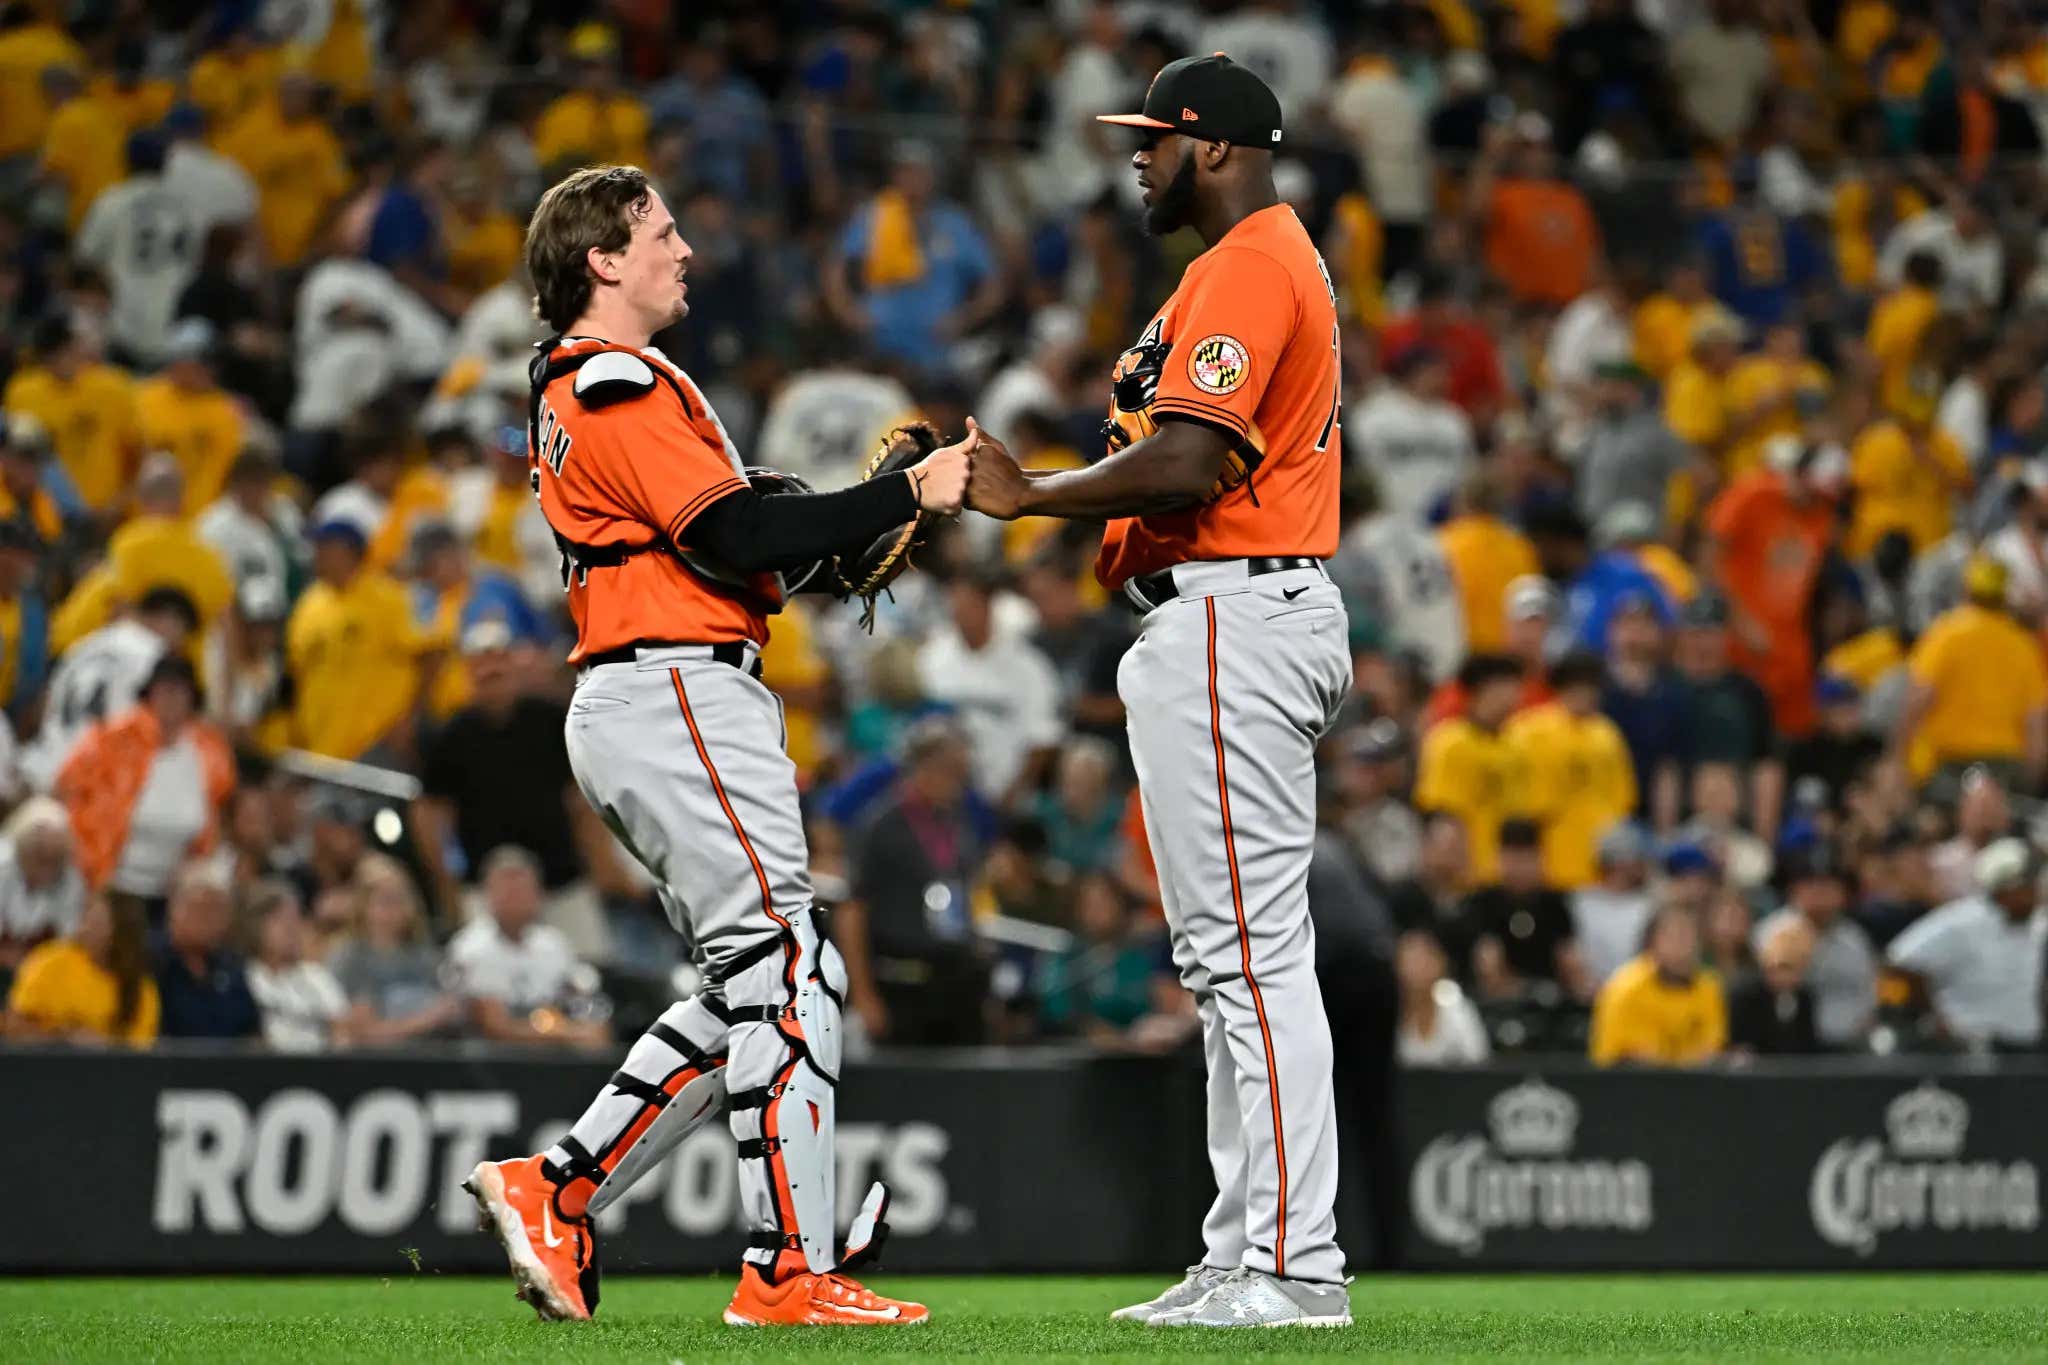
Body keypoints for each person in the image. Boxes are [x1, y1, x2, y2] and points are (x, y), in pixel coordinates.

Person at [462, 165, 969, 1328]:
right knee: (789, 974)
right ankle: (785, 1267)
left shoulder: (599, 385)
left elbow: (737, 547)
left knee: (767, 980)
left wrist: (831, 523)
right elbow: (735, 527)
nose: (684, 249)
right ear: (602, 261)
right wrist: (898, 499)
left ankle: (559, 1188)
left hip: (663, 690)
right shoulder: (612, 378)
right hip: (671, 689)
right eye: (660, 231)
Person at [962, 56, 1353, 1328]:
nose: (1135, 158)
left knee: (1246, 956)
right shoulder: (1227, 265)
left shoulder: (1248, 261)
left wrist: (1030, 501)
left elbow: (1186, 460)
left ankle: (1292, 1267)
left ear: (1218, 150)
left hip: (1236, 614)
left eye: (1155, 140)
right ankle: (1245, 1254)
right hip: (1227, 616)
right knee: (1225, 958)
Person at [416, 622, 621, 958]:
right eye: (481, 663)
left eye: (498, 660)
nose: (491, 670)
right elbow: (428, 812)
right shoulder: (451, 736)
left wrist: (600, 860)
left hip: (561, 879)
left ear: (512, 664)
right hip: (486, 891)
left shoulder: (551, 720)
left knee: (591, 969)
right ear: (468, 671)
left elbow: (581, 796)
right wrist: (446, 883)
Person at [836, 719, 991, 1046]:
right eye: (953, 770)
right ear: (925, 766)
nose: (961, 782)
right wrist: (863, 995)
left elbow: (967, 890)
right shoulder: (880, 825)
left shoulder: (959, 820)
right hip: (900, 982)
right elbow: (852, 911)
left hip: (953, 978)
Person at [55, 654, 234, 904]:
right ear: (150, 694)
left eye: (179, 690)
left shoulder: (209, 751)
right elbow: (66, 785)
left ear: (192, 698)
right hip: (109, 883)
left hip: (176, 893)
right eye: (164, 689)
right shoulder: (113, 738)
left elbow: (218, 816)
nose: (171, 698)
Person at [1896, 556, 2048, 793]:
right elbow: (2035, 720)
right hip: (2005, 768)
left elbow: (1919, 699)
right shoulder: (2024, 645)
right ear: (2004, 597)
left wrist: (1897, 756)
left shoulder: (1945, 634)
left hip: (1950, 766)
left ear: (1966, 590)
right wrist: (2032, 777)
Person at [1887, 838, 2046, 1050]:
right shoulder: (1963, 921)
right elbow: (1899, 963)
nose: (2034, 894)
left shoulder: (2037, 925)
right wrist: (1931, 1016)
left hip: (2026, 1047)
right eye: (2026, 887)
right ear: (2001, 888)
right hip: (1971, 1048)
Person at [446, 847, 611, 1049]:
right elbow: (493, 1026)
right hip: (495, 1059)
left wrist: (589, 1026)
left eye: (523, 890)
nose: (516, 898)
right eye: (507, 890)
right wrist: (568, 1035)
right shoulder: (470, 947)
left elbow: (584, 1003)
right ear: (487, 895)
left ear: (539, 895)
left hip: (554, 1046)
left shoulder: (554, 943)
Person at [1506, 651, 1636, 890]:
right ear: (1560, 688)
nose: (1583, 694)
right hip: (1548, 851)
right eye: (1574, 686)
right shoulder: (1529, 730)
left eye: (1590, 687)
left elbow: (1622, 801)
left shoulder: (1607, 734)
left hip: (1599, 859)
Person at [1417, 655, 1528, 885]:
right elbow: (1443, 815)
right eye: (1505, 686)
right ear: (1482, 689)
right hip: (1469, 877)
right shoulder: (1450, 741)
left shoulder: (1517, 743)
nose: (1513, 695)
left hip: (1509, 878)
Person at [327, 855, 461, 1045]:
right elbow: (362, 1033)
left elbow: (450, 1010)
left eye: (401, 900)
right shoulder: (351, 959)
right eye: (385, 901)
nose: (394, 910)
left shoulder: (425, 955)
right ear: (364, 906)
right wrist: (427, 1020)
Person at [1755, 849, 1876, 1049]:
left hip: (1852, 1049)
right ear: (1794, 890)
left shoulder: (1854, 939)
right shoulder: (1773, 932)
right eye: (1811, 885)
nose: (1820, 893)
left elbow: (1869, 993)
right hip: (1792, 1050)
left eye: (1828, 886)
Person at [2, 891, 156, 1045]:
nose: (86, 928)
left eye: (98, 923)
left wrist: (104, 1046)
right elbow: (13, 1027)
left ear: (122, 935)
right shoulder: (50, 962)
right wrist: (64, 1040)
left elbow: (139, 1055)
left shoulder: (141, 990)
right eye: (86, 918)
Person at [1588, 902, 1728, 1067]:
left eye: (1689, 936)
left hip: (1694, 1085)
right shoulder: (1624, 988)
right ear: (1651, 942)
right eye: (1673, 936)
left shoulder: (1709, 987)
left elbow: (1713, 1049)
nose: (1683, 945)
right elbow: (1612, 1056)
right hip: (1632, 1084)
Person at [1466, 818, 1588, 1002]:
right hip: (1495, 999)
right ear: (1499, 858)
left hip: (1549, 996)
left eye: (1526, 859)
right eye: (1513, 859)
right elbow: (1485, 962)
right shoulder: (1483, 902)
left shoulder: (1555, 903)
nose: (1519, 869)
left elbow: (1568, 957)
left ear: (1540, 858)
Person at [151, 862, 259, 1040]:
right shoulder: (151, 960)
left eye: (218, 910)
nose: (209, 919)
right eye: (201, 907)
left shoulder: (231, 967)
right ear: (174, 908)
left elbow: (251, 1029)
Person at [244, 880, 349, 1053]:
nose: (290, 928)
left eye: (295, 919)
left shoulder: (317, 976)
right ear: (256, 926)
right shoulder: (245, 978)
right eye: (279, 920)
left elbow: (342, 1031)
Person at [0, 796, 85, 986]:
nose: (46, 865)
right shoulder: (3, 866)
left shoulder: (71, 880)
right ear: (23, 849)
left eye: (53, 858)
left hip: (41, 973)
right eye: (40, 854)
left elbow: (67, 940)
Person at [1572, 823, 1656, 989]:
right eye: (1637, 859)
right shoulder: (1580, 902)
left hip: (1635, 994)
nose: (1643, 866)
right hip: (1586, 994)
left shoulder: (1649, 904)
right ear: (1620, 863)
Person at [1725, 911, 1820, 1055]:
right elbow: (1739, 1043)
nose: (1784, 976)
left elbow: (1808, 1045)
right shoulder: (1746, 995)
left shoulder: (1805, 998)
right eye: (1779, 967)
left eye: (1793, 968)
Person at [1394, 929, 1489, 1066]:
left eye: (1423, 961)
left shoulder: (1455, 1004)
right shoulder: (1385, 1009)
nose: (1416, 969)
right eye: (1409, 961)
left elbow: (1478, 1059)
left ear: (1440, 963)